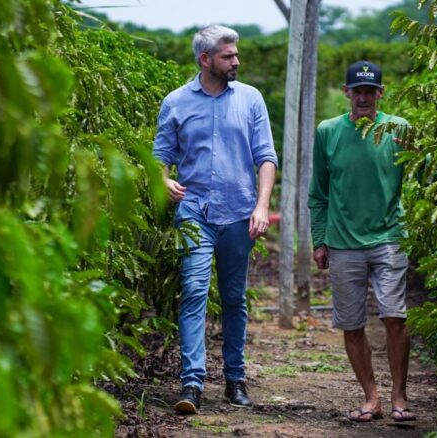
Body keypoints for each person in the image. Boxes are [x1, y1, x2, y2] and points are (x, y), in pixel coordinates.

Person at [152, 24, 278, 415]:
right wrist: (164, 180)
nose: (236, 60)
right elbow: (159, 158)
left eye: (236, 54)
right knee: (193, 290)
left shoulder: (251, 99)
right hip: (195, 212)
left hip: (239, 214)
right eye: (228, 56)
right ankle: (192, 382)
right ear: (205, 60)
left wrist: (262, 207)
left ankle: (235, 378)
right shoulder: (176, 102)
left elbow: (266, 157)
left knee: (234, 298)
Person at [308, 60, 417, 423]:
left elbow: (422, 173)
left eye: (370, 91)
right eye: (358, 91)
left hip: (389, 237)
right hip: (343, 243)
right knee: (351, 323)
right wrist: (320, 240)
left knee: (394, 316)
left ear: (380, 94)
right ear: (347, 93)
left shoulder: (399, 129)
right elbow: (319, 192)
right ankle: (372, 397)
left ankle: (400, 396)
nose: (364, 98)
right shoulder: (328, 131)